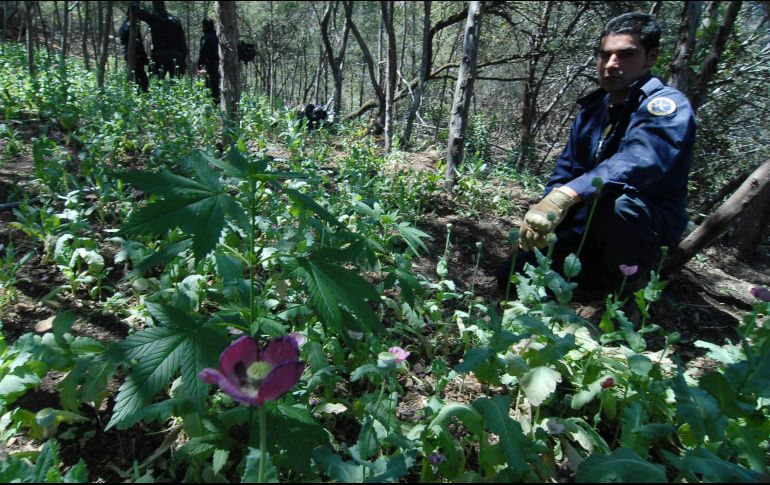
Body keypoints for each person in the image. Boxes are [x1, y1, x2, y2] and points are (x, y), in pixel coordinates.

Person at [497, 13, 696, 296]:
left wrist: (566, 195)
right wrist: (548, 208)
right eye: (605, 55)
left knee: (617, 203)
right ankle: (592, 279)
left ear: (650, 58)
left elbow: (640, 160)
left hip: (639, 231)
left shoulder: (665, 106)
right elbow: (567, 170)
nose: (612, 64)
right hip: (584, 228)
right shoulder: (594, 109)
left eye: (626, 55)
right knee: (513, 277)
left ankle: (627, 287)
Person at [130, 1, 188, 79]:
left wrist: (134, 4)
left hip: (160, 56)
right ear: (164, 5)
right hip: (176, 56)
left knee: (156, 84)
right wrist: (183, 59)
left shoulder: (154, 17)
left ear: (154, 5)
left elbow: (138, 12)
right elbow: (182, 42)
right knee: (176, 86)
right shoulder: (176, 20)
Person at [118, 12, 150, 92]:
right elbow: (137, 43)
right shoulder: (131, 25)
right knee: (142, 79)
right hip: (134, 55)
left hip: (132, 55)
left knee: (139, 78)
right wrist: (144, 57)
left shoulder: (126, 25)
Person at [196, 18, 220, 103]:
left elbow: (203, 53)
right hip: (220, 66)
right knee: (218, 88)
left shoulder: (206, 38)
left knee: (211, 89)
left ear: (204, 27)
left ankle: (214, 109)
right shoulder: (218, 37)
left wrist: (199, 67)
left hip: (211, 66)